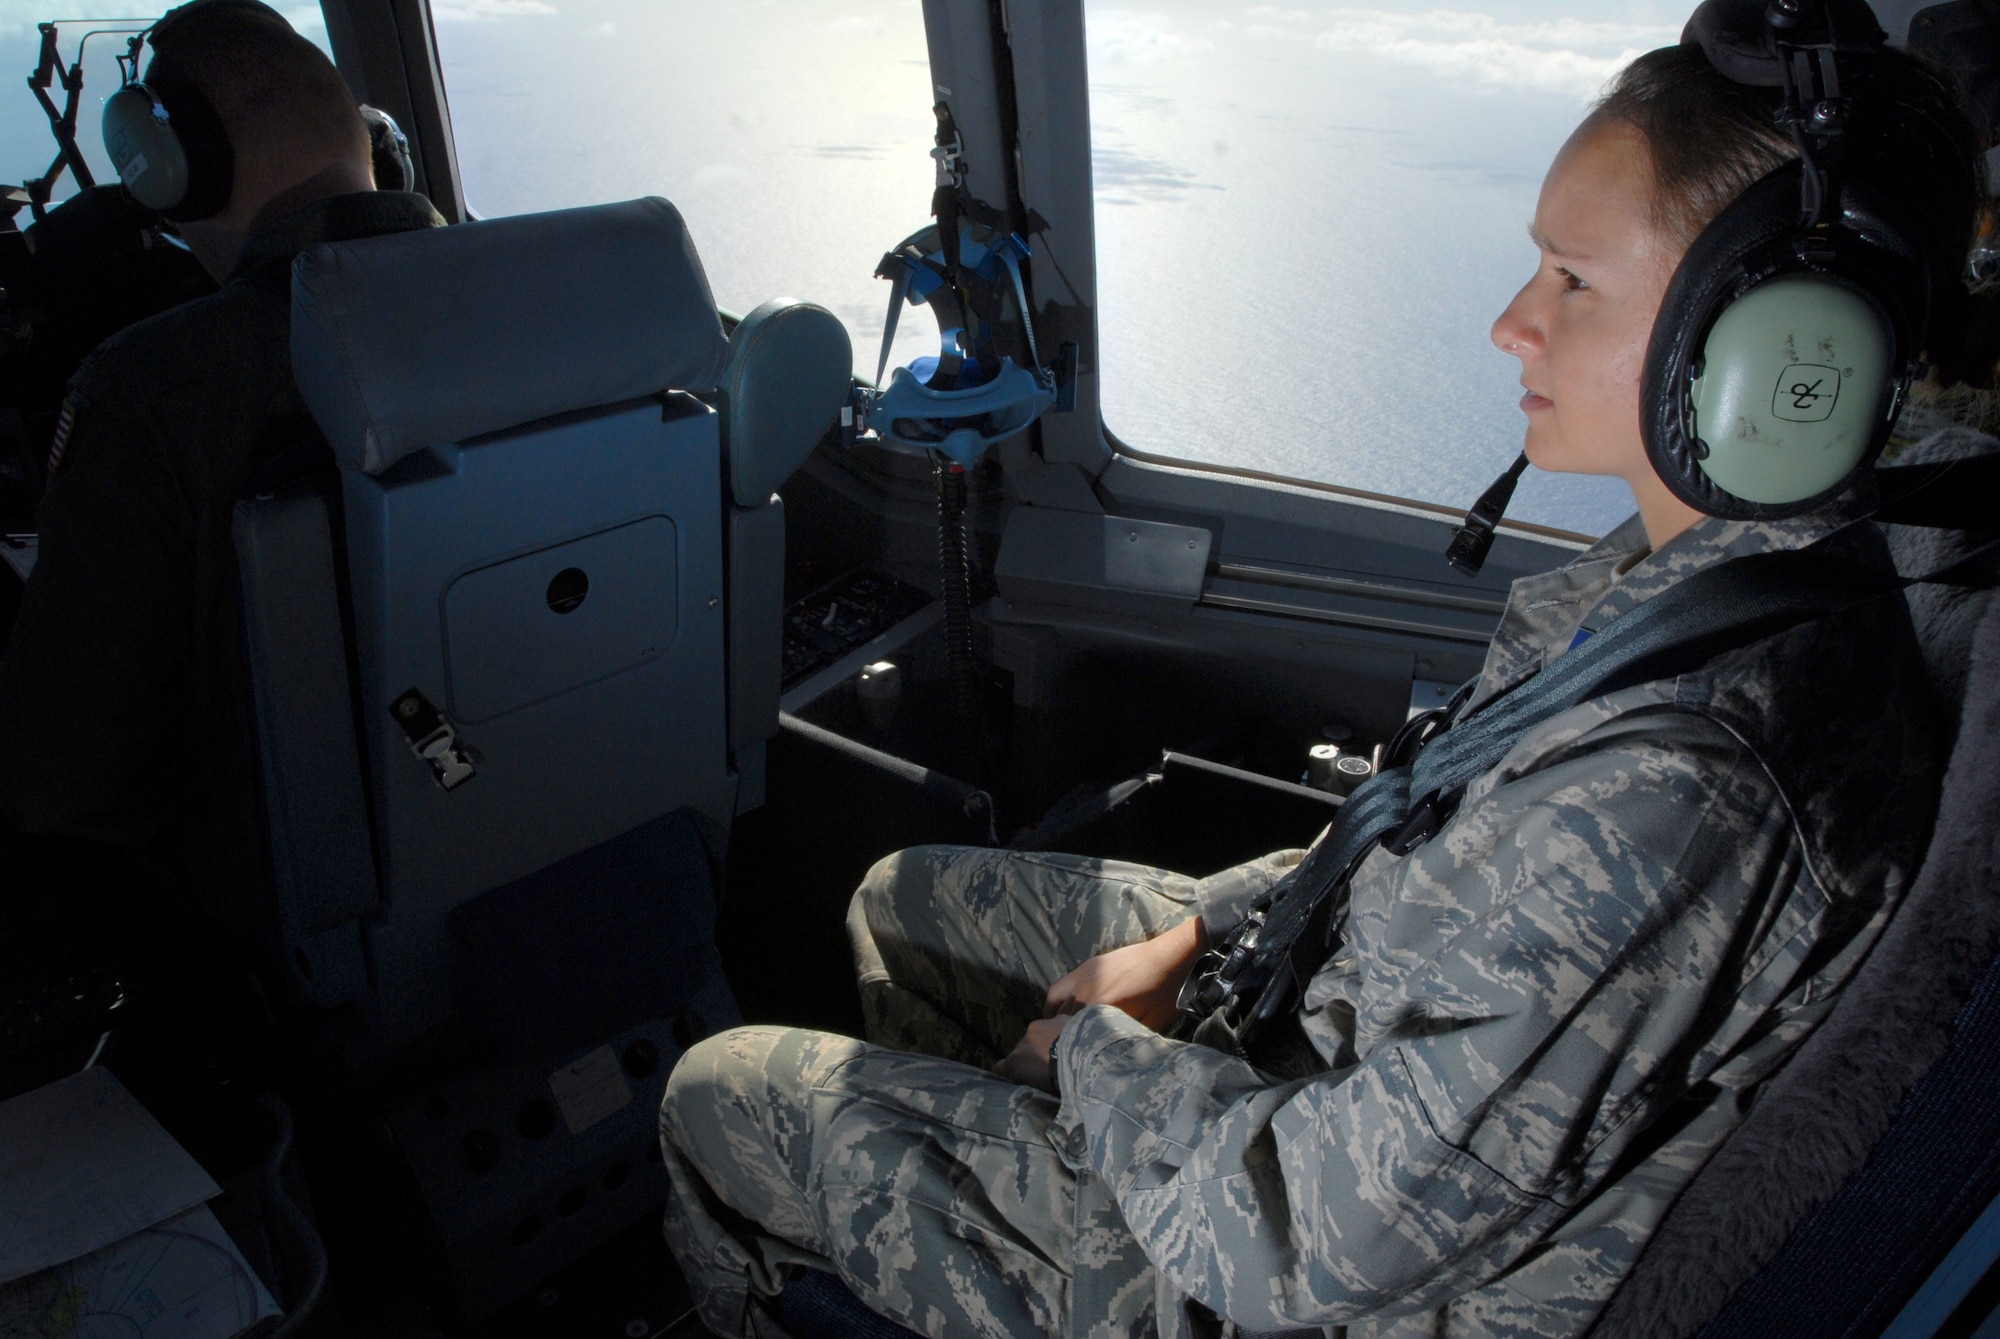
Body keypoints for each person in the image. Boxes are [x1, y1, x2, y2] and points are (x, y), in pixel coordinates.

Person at [658, 19, 1984, 1339]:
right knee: (905, 902)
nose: (1510, 323)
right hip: (1322, 1054)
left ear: (1774, 348)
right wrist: (1202, 932)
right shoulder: (1701, 587)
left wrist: (1098, 1064)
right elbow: (1423, 852)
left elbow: (1295, 1238)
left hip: (1269, 1280)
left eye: (1573, 280)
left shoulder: (1681, 789)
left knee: (719, 1097)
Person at [0, 0, 442, 917]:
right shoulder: (560, 301)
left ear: (172, 169)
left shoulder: (152, 388)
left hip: (305, 911)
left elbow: (66, 781)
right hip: (533, 804)